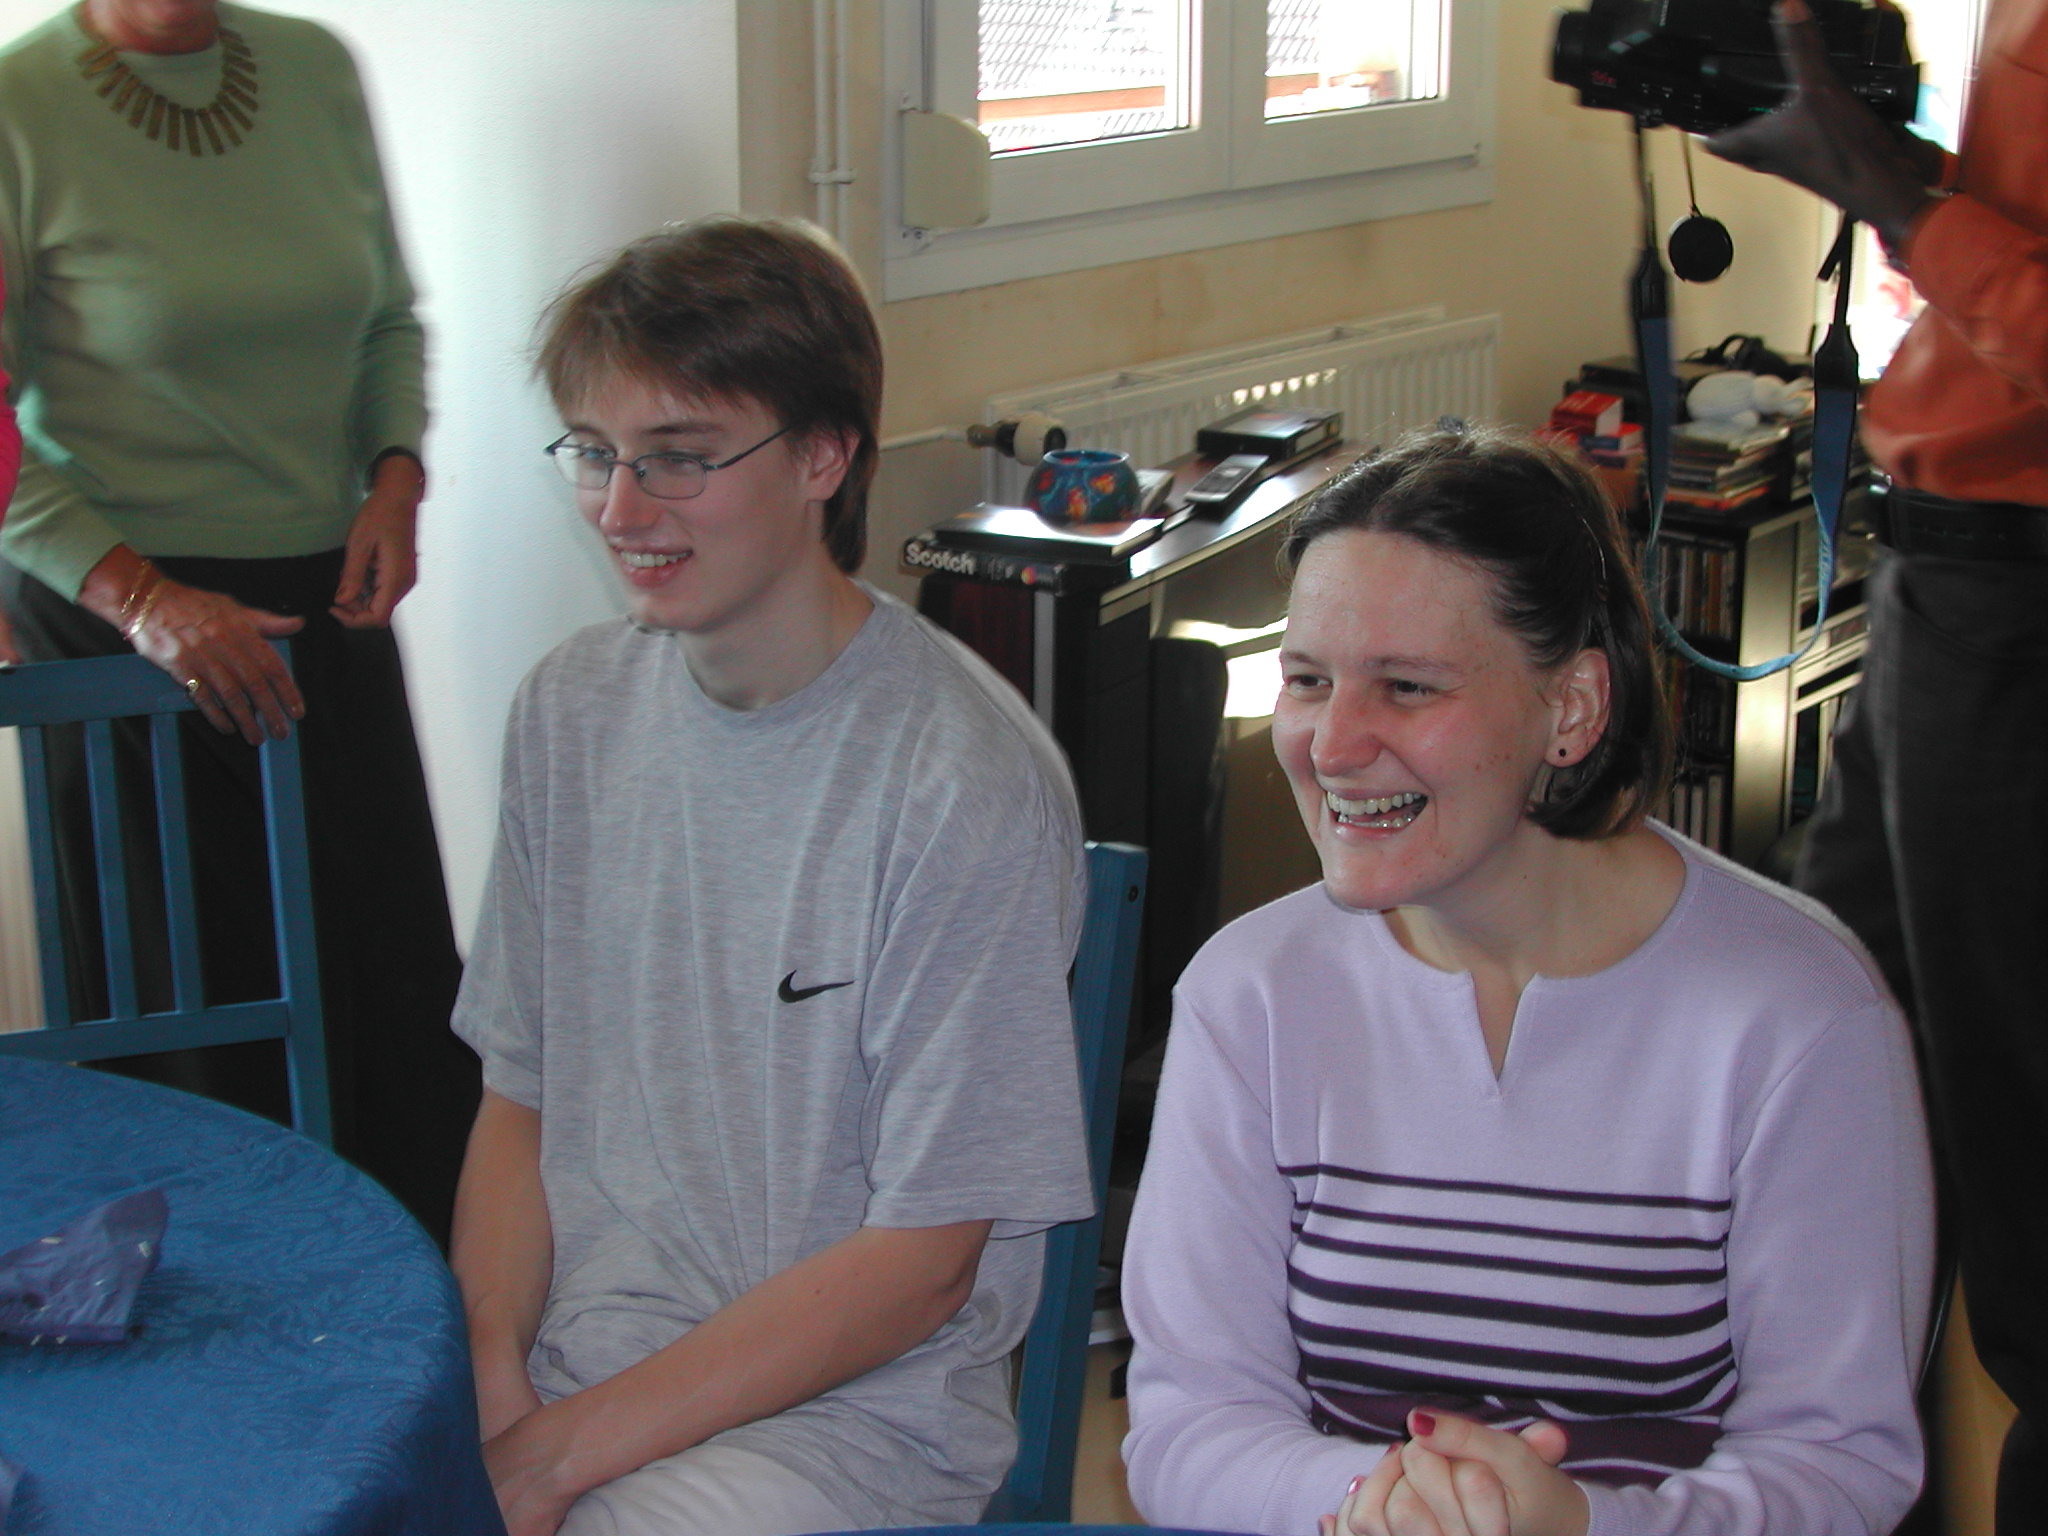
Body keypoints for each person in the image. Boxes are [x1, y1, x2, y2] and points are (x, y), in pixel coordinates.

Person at [1119, 426, 1935, 1536]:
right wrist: (1384, 1509)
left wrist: (1581, 1524)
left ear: (1573, 708)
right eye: (1306, 680)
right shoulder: (1249, 994)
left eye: (1407, 687)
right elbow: (1188, 1425)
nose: (1331, 745)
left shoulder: (1799, 1017)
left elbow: (1838, 1466)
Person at [448, 216, 1095, 1536]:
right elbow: (520, 1095)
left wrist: (550, 1459)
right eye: (595, 453)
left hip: (844, 1429)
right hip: (573, 1374)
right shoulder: (569, 713)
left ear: (821, 456)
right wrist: (490, 1377)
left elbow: (922, 1268)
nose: (621, 510)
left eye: (679, 458)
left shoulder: (957, 783)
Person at [0, 0, 477, 1239]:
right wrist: (144, 600)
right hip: (122, 624)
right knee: (201, 1024)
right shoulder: (16, 105)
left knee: (390, 995)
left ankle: (426, 1319)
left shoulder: (313, 68)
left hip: (326, 601)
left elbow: (386, 319)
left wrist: (393, 477)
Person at [1708, 4, 2048, 1530]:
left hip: (2024, 599)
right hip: (1947, 576)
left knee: (2020, 1138)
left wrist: (1894, 192)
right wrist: (1859, 146)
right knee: (1846, 1070)